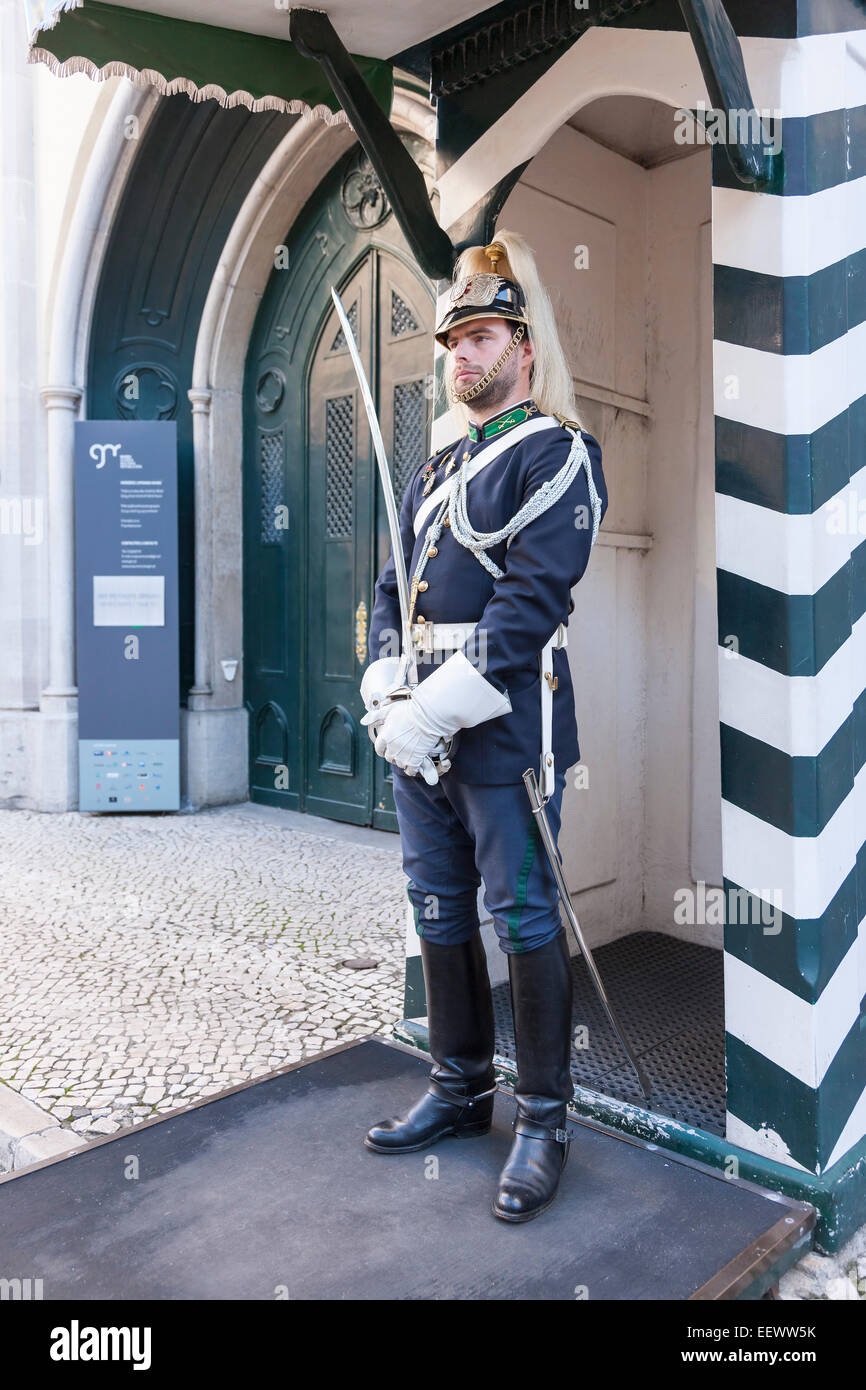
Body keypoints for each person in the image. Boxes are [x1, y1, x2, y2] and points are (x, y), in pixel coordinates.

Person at [358, 230, 608, 1223]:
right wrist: (384, 692)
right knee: (436, 908)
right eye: (453, 339)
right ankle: (461, 1088)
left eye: (483, 335)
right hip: (417, 735)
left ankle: (542, 1118)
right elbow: (389, 589)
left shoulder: (558, 455)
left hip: (504, 733)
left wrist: (430, 709)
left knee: (524, 917)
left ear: (523, 349)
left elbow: (530, 603)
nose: (463, 354)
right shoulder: (429, 471)